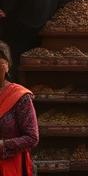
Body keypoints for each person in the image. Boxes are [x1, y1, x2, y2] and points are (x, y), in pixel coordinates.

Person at [0, 40, 37, 176]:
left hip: (10, 167)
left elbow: (32, 137)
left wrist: (3, 145)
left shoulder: (19, 97)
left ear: (7, 66)